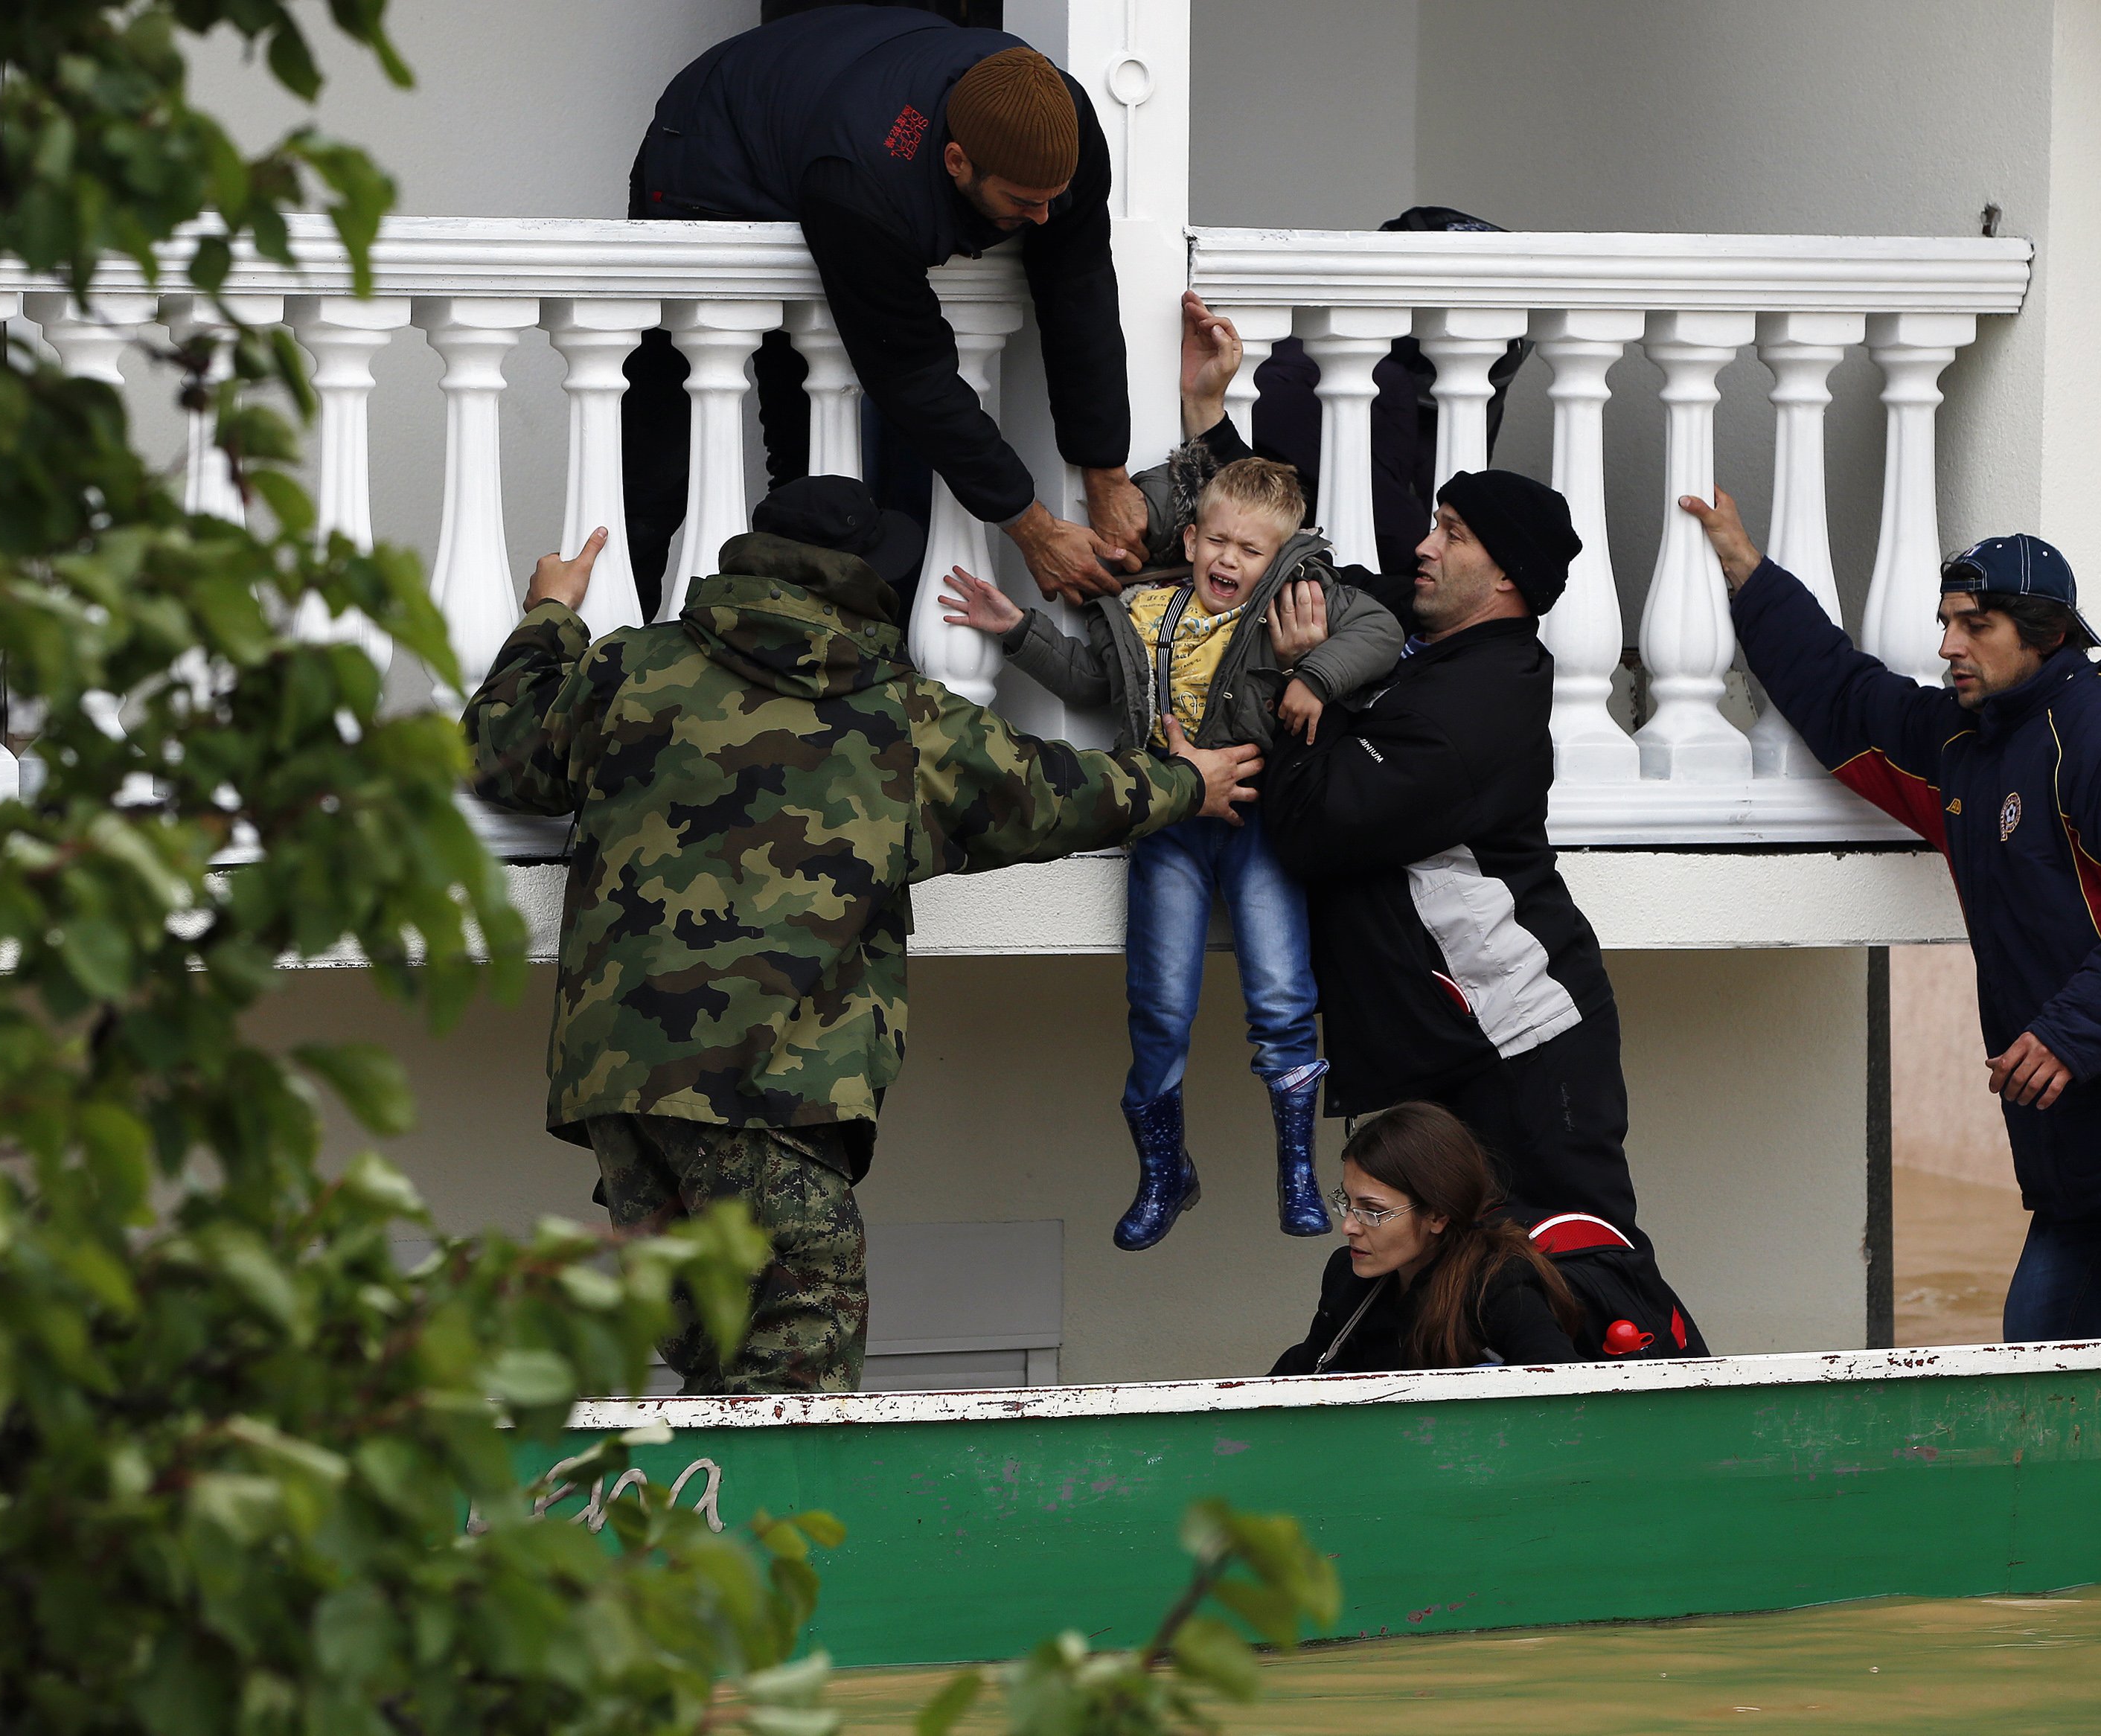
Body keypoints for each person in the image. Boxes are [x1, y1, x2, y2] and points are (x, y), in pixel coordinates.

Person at [461, 483, 1261, 1393]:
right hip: (768, 1085)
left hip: (621, 1079)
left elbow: (497, 747)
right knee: (798, 1348)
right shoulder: (896, 714)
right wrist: (1184, 782)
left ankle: (695, 1524)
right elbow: (1047, 792)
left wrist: (550, 616)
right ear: (868, 581)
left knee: (711, 1352)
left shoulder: (630, 670)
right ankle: (761, 1533)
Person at [1681, 491, 2101, 1342]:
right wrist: (1745, 570)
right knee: (2032, 1350)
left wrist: (2069, 1033)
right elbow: (1841, 695)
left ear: (2046, 631)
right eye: (1946, 621)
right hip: (2075, 1104)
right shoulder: (1962, 741)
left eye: (1977, 625)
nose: (1947, 645)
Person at [1173, 295, 1641, 1244]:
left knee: (1574, 1271)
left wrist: (1309, 686)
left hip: (1521, 1042)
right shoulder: (1425, 635)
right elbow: (1290, 569)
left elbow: (1312, 829)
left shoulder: (1480, 708)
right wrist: (1208, 417)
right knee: (1432, 1288)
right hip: (1445, 1046)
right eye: (1433, 523)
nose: (1422, 544)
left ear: (1503, 577)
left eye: (1452, 534)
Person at [938, 392, 1403, 1252]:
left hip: (1257, 823)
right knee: (1157, 1002)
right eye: (1216, 541)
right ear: (1188, 540)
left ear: (1276, 560)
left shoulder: (1292, 605)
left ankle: (1296, 1169)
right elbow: (1087, 682)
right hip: (1167, 822)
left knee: (1279, 991)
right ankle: (1163, 1171)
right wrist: (1016, 631)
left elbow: (1380, 627)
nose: (1228, 558)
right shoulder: (1146, 610)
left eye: (1249, 549)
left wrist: (1315, 675)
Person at [623, 6, 1142, 611]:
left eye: (1055, 199)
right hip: (710, 149)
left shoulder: (1063, 122)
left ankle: (798, 646)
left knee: (807, 453)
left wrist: (1106, 469)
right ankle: (609, 650)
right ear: (957, 162)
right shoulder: (861, 183)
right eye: (1024, 202)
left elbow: (1078, 287)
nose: (1043, 220)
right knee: (659, 464)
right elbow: (915, 377)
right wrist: (1034, 529)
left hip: (823, 108)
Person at [1270, 1102, 1590, 1375]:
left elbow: (1560, 1390)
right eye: (1347, 1202)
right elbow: (1298, 1376)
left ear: (1437, 1215)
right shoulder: (1348, 1276)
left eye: (1372, 1211)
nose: (1349, 1227)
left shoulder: (1496, 1284)